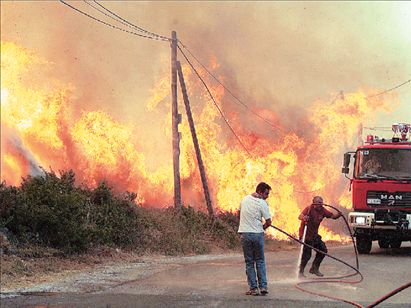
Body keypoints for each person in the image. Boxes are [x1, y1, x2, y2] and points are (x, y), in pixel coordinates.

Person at [238, 182, 272, 296]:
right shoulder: (262, 203)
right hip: (257, 234)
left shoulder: (244, 199)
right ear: (260, 192)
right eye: (266, 193)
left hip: (245, 234)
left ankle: (254, 289)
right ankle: (263, 287)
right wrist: (262, 227)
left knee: (249, 262)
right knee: (260, 261)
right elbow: (269, 222)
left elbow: (241, 213)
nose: (267, 196)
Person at [298, 196, 341, 278]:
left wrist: (338, 215)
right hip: (306, 236)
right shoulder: (309, 209)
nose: (321, 205)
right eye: (319, 203)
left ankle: (314, 268)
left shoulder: (322, 210)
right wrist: (304, 218)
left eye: (321, 202)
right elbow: (300, 216)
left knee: (323, 250)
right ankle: (300, 271)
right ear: (314, 204)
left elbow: (332, 216)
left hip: (314, 235)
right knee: (307, 255)